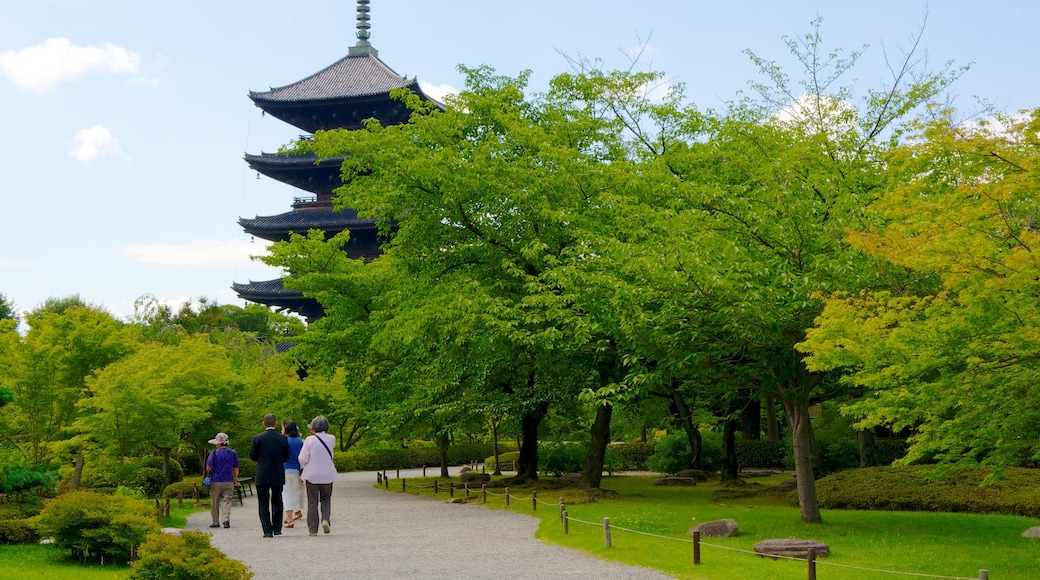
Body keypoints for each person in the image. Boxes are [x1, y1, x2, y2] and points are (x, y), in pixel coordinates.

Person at [249, 413, 290, 538]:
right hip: (277, 472)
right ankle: (277, 528)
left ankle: (267, 530)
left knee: (263, 502)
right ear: (276, 423)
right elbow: (287, 456)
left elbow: (252, 455)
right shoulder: (282, 438)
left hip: (262, 472)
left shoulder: (257, 438)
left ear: (264, 423)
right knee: (277, 500)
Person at [298, 415, 337, 536]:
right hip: (327, 474)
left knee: (312, 502)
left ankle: (313, 529)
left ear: (314, 427)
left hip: (312, 475)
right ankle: (325, 519)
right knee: (326, 499)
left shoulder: (310, 440)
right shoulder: (331, 438)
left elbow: (302, 458)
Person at [204, 432, 239, 529]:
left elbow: (208, 468)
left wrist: (209, 473)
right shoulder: (233, 453)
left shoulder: (213, 453)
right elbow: (236, 467)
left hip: (216, 480)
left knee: (214, 501)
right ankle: (226, 520)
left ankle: (215, 521)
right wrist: (235, 479)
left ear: (218, 443)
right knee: (227, 500)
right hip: (228, 480)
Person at [281, 420, 306, 528]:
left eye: (282, 428)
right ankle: (297, 511)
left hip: (284, 469)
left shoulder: (283, 440)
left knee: (286, 493)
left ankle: (289, 518)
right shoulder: (300, 441)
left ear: (286, 429)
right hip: (296, 470)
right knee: (296, 492)